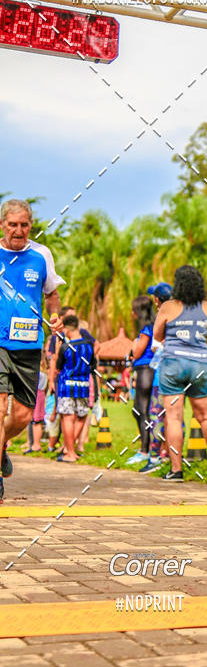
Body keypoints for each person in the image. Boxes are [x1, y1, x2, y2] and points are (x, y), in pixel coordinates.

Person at [0, 200, 64, 502]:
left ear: (31, 224)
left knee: (24, 416)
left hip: (28, 344)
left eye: (24, 224)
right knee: (0, 408)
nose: (18, 230)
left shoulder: (41, 255)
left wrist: (54, 316)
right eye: (12, 224)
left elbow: (51, 292)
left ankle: (1, 447)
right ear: (2, 225)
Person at [153, 266, 207, 479]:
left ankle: (176, 470)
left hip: (173, 363)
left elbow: (157, 335)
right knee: (205, 416)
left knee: (174, 418)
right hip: (199, 365)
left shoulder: (168, 307)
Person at [53, 314, 96, 462]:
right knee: (82, 416)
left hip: (66, 387)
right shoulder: (89, 346)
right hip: (83, 386)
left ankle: (69, 452)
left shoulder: (66, 347)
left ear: (66, 329)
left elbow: (58, 368)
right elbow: (93, 366)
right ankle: (70, 449)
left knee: (67, 418)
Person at [140, 282, 172, 473]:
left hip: (162, 375)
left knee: (158, 416)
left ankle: (157, 456)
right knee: (174, 418)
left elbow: (154, 345)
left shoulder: (162, 317)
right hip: (177, 374)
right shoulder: (180, 315)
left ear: (158, 300)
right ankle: (169, 455)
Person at [126, 295, 156, 466]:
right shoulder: (153, 326)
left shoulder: (146, 328)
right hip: (146, 369)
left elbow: (137, 352)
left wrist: (134, 344)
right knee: (141, 410)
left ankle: (145, 449)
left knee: (140, 410)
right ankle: (147, 447)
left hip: (145, 368)